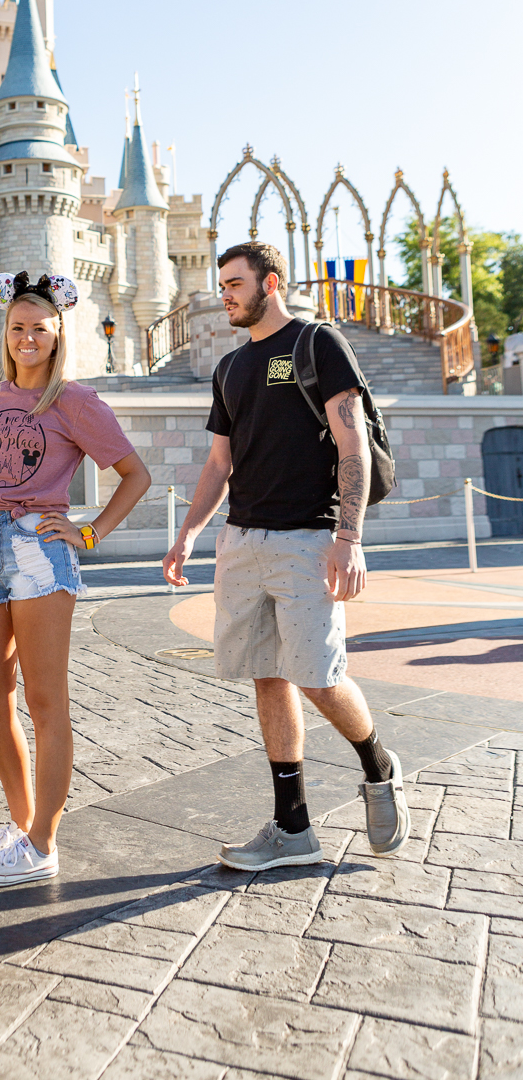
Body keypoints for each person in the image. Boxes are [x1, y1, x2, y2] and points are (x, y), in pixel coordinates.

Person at [163, 242, 409, 871]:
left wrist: (348, 537)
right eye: (222, 284)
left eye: (236, 283)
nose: (226, 294)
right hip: (243, 542)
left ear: (269, 283)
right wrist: (191, 530)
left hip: (309, 540)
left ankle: (378, 763)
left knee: (319, 678)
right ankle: (292, 828)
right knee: (267, 676)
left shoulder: (317, 344)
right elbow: (220, 462)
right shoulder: (229, 368)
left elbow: (352, 442)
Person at [0, 270, 151, 887]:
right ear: (5, 332)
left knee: (46, 702)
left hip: (40, 552)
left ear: (58, 331)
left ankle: (44, 842)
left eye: (39, 328)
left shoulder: (75, 402)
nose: (26, 338)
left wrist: (89, 532)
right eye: (17, 328)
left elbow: (134, 475)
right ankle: (22, 828)